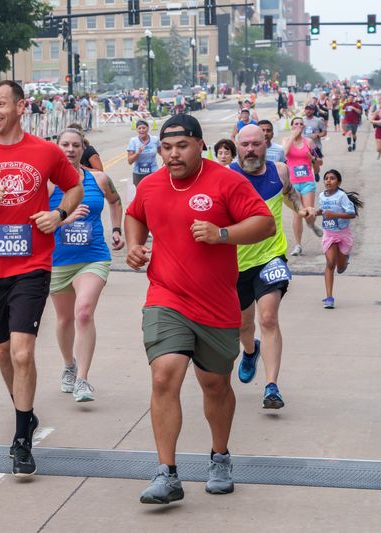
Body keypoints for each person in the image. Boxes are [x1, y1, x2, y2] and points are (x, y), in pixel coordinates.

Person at [125, 114, 275, 505]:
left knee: (215, 386)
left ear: (200, 145)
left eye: (182, 146)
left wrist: (222, 234)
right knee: (164, 375)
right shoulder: (151, 184)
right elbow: (135, 214)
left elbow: (265, 224)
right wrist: (135, 245)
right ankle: (166, 473)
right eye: (166, 148)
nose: (173, 155)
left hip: (216, 304)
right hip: (166, 296)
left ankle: (220, 457)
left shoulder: (226, 181)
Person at [0, 80, 83, 477]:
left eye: (1, 104)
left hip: (32, 266)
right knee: (4, 352)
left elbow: (74, 187)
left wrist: (58, 215)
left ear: (21, 107)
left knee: (23, 353)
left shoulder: (45, 151)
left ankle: (21, 438)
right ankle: (26, 411)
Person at [231, 124, 316, 410]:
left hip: (271, 256)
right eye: (245, 144)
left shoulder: (279, 171)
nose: (250, 149)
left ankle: (271, 387)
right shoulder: (226, 175)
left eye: (256, 144)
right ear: (237, 145)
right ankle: (250, 350)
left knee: (268, 318)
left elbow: (289, 193)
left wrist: (301, 209)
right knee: (244, 324)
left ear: (265, 144)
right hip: (237, 263)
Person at [49, 128, 124, 403]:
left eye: (75, 145)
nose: (70, 149)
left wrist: (116, 229)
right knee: (65, 319)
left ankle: (82, 379)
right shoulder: (47, 183)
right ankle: (69, 365)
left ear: (84, 149)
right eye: (65, 145)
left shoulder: (99, 178)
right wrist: (64, 218)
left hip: (93, 257)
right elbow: (35, 220)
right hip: (58, 260)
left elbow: (115, 201)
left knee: (83, 313)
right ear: (57, 148)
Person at [309, 169, 363, 309]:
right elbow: (323, 210)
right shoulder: (322, 195)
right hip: (329, 234)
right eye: (326, 178)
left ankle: (344, 261)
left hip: (343, 234)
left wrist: (334, 215)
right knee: (330, 263)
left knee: (340, 267)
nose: (328, 180)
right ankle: (329, 298)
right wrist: (316, 212)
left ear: (339, 182)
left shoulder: (342, 196)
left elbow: (351, 214)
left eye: (332, 178)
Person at [282, 117, 321, 256]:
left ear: (304, 126)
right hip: (292, 183)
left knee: (309, 212)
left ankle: (311, 224)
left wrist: (313, 159)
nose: (298, 126)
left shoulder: (309, 142)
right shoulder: (286, 140)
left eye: (300, 124)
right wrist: (293, 136)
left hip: (307, 181)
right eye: (295, 124)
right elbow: (284, 153)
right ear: (292, 126)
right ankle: (298, 245)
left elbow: (320, 161)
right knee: (297, 214)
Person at [126, 120, 161, 186]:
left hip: (153, 172)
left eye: (144, 128)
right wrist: (137, 152)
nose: (141, 130)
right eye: (139, 128)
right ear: (137, 130)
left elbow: (161, 152)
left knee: (154, 191)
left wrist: (166, 161)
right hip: (138, 173)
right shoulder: (133, 141)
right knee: (140, 192)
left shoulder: (155, 139)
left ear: (148, 128)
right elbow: (130, 161)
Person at [301, 104, 326, 179]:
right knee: (304, 163)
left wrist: (318, 135)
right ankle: (307, 178)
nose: (308, 111)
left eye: (310, 109)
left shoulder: (318, 121)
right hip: (304, 146)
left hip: (315, 146)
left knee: (315, 163)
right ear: (304, 110)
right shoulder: (301, 120)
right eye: (307, 109)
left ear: (313, 111)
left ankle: (316, 172)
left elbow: (324, 132)